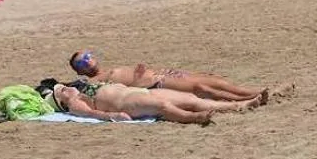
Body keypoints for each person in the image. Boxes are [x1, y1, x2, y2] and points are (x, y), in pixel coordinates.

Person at [69, 51, 268, 102]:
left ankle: (253, 91)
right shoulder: (92, 81)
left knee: (211, 79)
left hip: (161, 73)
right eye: (82, 62)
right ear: (79, 71)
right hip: (156, 83)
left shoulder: (107, 70)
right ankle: (246, 99)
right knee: (202, 90)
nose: (88, 61)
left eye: (88, 56)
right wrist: (138, 81)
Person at [39, 80, 260, 125]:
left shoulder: (81, 89)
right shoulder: (76, 105)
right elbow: (92, 115)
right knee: (164, 108)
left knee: (192, 99)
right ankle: (192, 119)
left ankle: (238, 105)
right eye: (61, 93)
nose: (65, 89)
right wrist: (112, 116)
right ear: (62, 104)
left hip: (137, 91)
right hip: (126, 103)